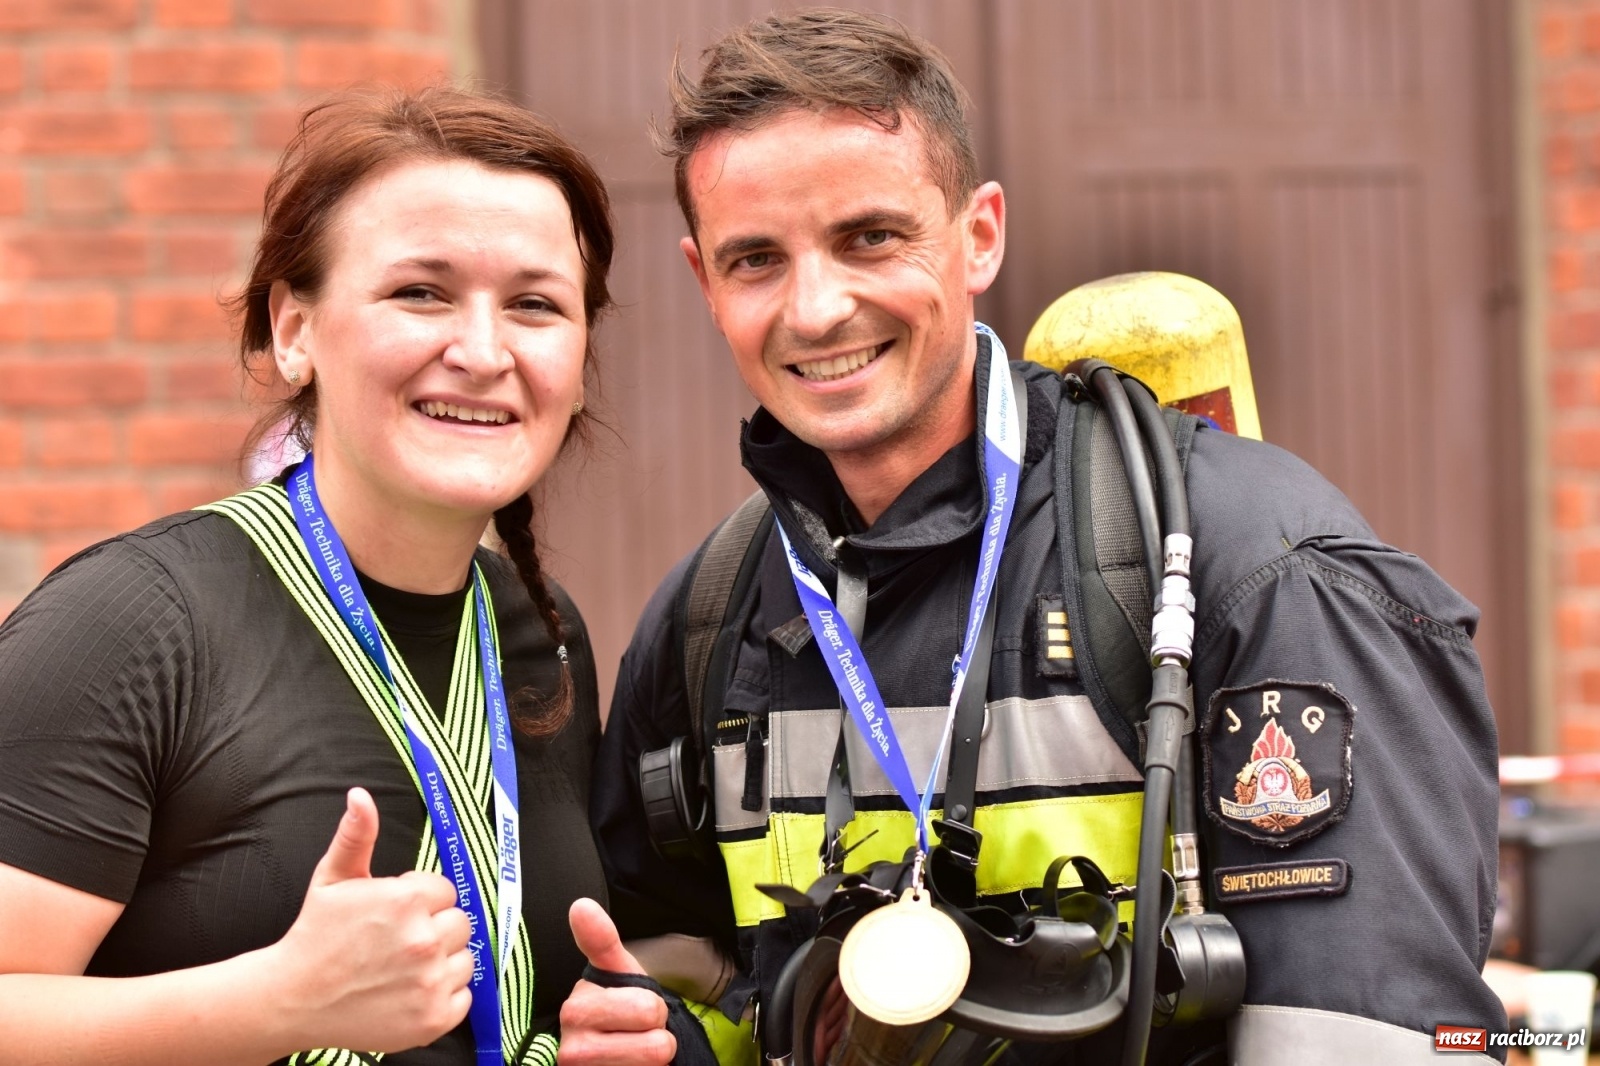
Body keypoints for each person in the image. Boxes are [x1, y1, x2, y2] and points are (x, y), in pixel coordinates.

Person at [566, 9, 1507, 1066]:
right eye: (756, 260)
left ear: (980, 236)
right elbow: (677, 980)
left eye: (869, 237)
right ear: (704, 282)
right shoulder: (711, 619)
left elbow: (1368, 1042)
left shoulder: (1251, 570)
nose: (818, 306)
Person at [0, 87, 615, 1065]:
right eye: (422, 291)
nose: (484, 350)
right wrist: (275, 1002)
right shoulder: (134, 625)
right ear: (293, 328)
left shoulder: (537, 633)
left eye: (536, 305)